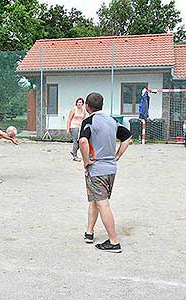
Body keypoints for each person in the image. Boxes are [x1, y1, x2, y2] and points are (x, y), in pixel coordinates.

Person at [79, 92, 132, 253]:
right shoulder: (112, 121)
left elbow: (82, 140)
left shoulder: (89, 121)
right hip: (110, 169)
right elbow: (128, 138)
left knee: (102, 203)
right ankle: (89, 232)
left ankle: (114, 241)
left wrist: (86, 161)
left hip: (97, 170)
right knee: (95, 200)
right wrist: (117, 156)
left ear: (87, 106)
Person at [66, 97, 87, 161]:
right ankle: (75, 156)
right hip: (73, 126)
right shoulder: (73, 109)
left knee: (80, 141)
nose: (79, 103)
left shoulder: (83, 110)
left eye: (80, 102)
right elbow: (69, 119)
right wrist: (68, 128)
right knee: (75, 141)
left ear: (83, 103)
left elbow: (84, 119)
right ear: (76, 103)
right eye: (78, 102)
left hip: (80, 127)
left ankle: (73, 151)